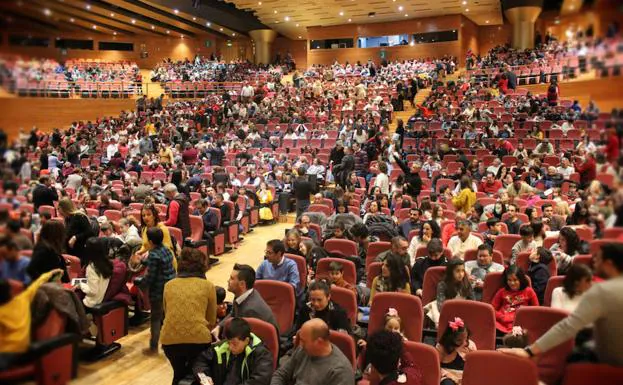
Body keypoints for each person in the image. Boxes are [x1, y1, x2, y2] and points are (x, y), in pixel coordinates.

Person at [500, 243, 623, 366]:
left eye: (599, 259)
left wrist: (530, 351)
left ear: (609, 264)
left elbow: (568, 326)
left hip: (611, 363)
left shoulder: (602, 290)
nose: (594, 261)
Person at [161, 248, 217, 385]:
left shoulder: (168, 285)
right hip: (199, 340)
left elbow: (166, 312)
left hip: (169, 340)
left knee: (179, 374)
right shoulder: (208, 286)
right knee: (199, 375)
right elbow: (211, 320)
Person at [0, 268, 64, 369]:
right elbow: (36, 284)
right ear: (10, 291)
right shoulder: (23, 299)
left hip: (7, 352)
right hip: (23, 348)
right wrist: (51, 273)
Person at [188, 317, 273, 385]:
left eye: (234, 344)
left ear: (246, 340)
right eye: (229, 342)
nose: (230, 347)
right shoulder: (222, 347)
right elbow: (200, 361)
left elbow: (260, 381)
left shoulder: (262, 355)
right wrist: (205, 377)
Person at [132, 227, 176, 354]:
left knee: (155, 318)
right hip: (170, 287)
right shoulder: (166, 249)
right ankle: (169, 341)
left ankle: (153, 346)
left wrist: (139, 283)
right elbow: (158, 262)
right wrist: (143, 260)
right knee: (166, 316)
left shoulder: (153, 255)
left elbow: (150, 278)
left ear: (150, 241)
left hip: (158, 291)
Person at [270, 319, 354, 385]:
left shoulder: (340, 371)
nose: (300, 344)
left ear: (319, 342)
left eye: (303, 341)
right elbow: (280, 374)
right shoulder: (302, 350)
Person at [214, 264, 278, 337]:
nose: (228, 281)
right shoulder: (241, 294)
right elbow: (233, 314)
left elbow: (244, 339)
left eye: (232, 278)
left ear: (242, 284)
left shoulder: (250, 311)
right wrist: (219, 326)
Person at [426, 259, 474, 326]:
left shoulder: (467, 283)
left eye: (463, 271)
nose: (461, 274)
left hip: (463, 311)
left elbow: (473, 302)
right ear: (451, 272)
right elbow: (441, 306)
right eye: (457, 271)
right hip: (447, 312)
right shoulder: (442, 284)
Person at [492, 266, 539, 333]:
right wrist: (502, 317)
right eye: (509, 280)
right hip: (502, 322)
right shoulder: (501, 291)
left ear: (521, 279)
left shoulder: (529, 291)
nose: (512, 283)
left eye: (515, 280)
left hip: (521, 322)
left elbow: (536, 310)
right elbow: (492, 309)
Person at [436, 318, 476, 385]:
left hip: (464, 376)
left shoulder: (470, 345)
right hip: (447, 375)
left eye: (465, 339)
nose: (464, 343)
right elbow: (436, 367)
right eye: (459, 340)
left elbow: (475, 366)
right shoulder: (441, 347)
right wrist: (449, 375)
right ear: (450, 338)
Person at [58, 198, 95, 267]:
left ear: (64, 208)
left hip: (81, 251)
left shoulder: (79, 216)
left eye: (59, 208)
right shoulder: (67, 218)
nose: (58, 211)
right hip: (70, 251)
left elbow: (90, 232)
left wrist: (75, 237)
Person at [78, 238, 112, 309]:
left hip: (91, 302)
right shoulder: (107, 263)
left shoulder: (91, 268)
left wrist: (81, 285)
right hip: (102, 299)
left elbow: (93, 291)